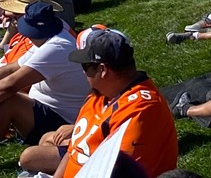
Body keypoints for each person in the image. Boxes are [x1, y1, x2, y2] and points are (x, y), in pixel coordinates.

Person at [19, 30, 179, 178]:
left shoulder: (141, 110)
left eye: (85, 66)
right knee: (45, 142)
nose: (83, 72)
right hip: (84, 167)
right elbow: (75, 151)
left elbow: (118, 172)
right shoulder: (100, 93)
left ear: (102, 70)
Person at [0, 1, 90, 163]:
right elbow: (8, 70)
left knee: (9, 100)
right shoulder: (50, 37)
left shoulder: (57, 47)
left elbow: (10, 84)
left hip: (62, 123)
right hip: (46, 112)